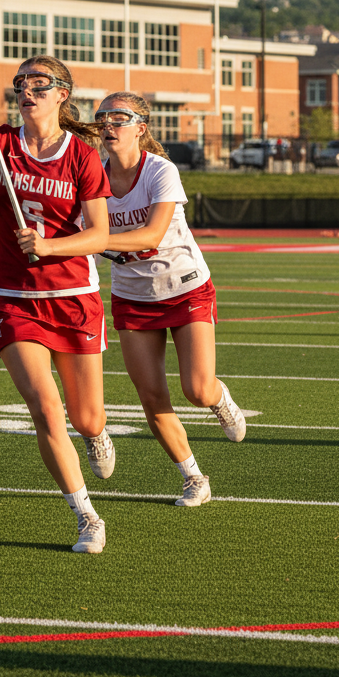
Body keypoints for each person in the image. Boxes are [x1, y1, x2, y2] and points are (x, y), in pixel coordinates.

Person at [0, 49, 114, 553]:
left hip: (73, 297)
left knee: (86, 417)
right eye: (20, 81)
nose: (27, 89)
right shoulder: (0, 140)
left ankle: (95, 433)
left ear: (62, 94)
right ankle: (86, 514)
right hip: (12, 297)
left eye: (39, 82)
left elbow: (99, 235)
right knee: (46, 409)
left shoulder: (81, 155)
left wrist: (49, 246)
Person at [96, 92, 246, 508]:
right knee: (151, 397)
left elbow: (151, 235)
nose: (108, 125)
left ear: (140, 128)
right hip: (132, 295)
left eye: (118, 118)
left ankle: (218, 397)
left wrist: (89, 240)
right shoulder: (92, 177)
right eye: (102, 118)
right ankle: (194, 477)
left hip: (185, 287)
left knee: (197, 389)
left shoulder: (160, 170)